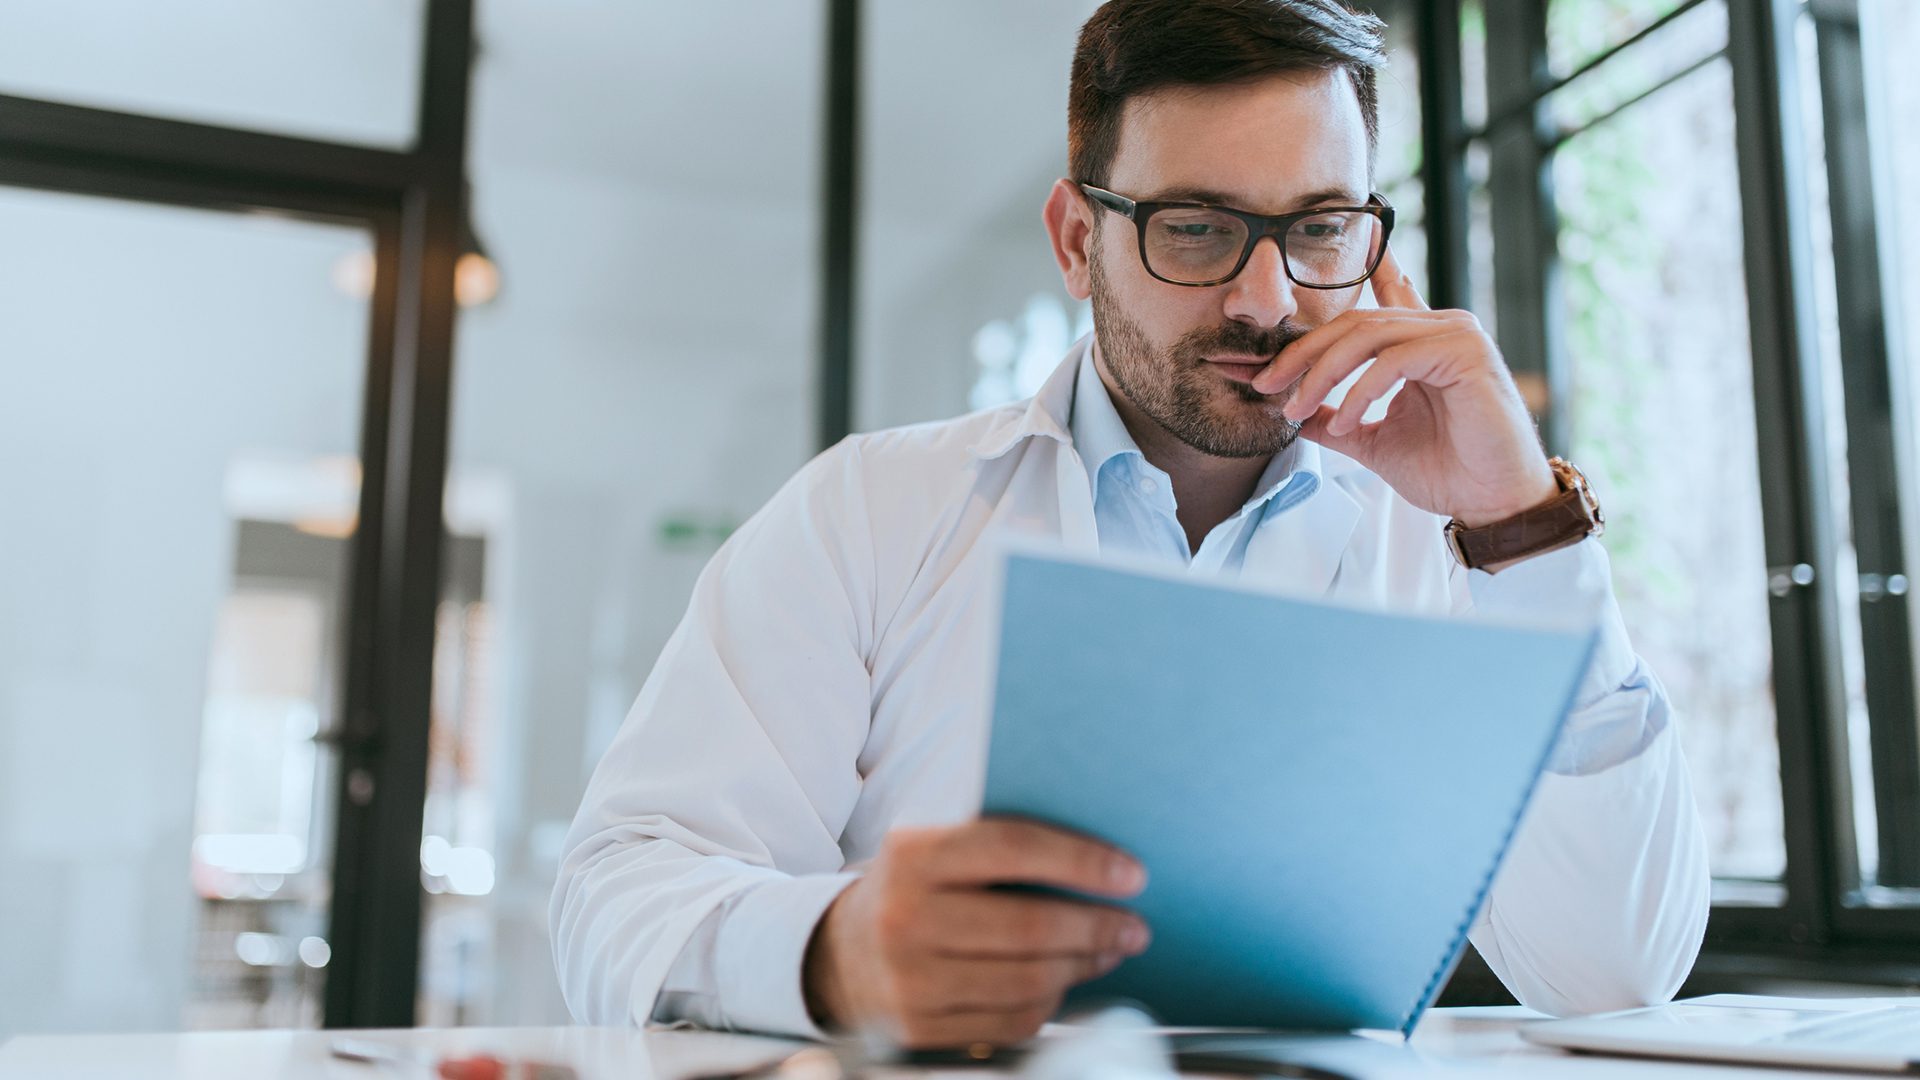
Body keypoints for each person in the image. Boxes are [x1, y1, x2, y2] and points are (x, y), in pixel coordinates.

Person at [551, 0, 1710, 1049]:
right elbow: (617, 893)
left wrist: (1521, 527)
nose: (1265, 302)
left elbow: (1611, 974)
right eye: (1196, 228)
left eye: (1317, 230)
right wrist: (833, 950)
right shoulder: (871, 512)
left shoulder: (1454, 545)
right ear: (1075, 241)